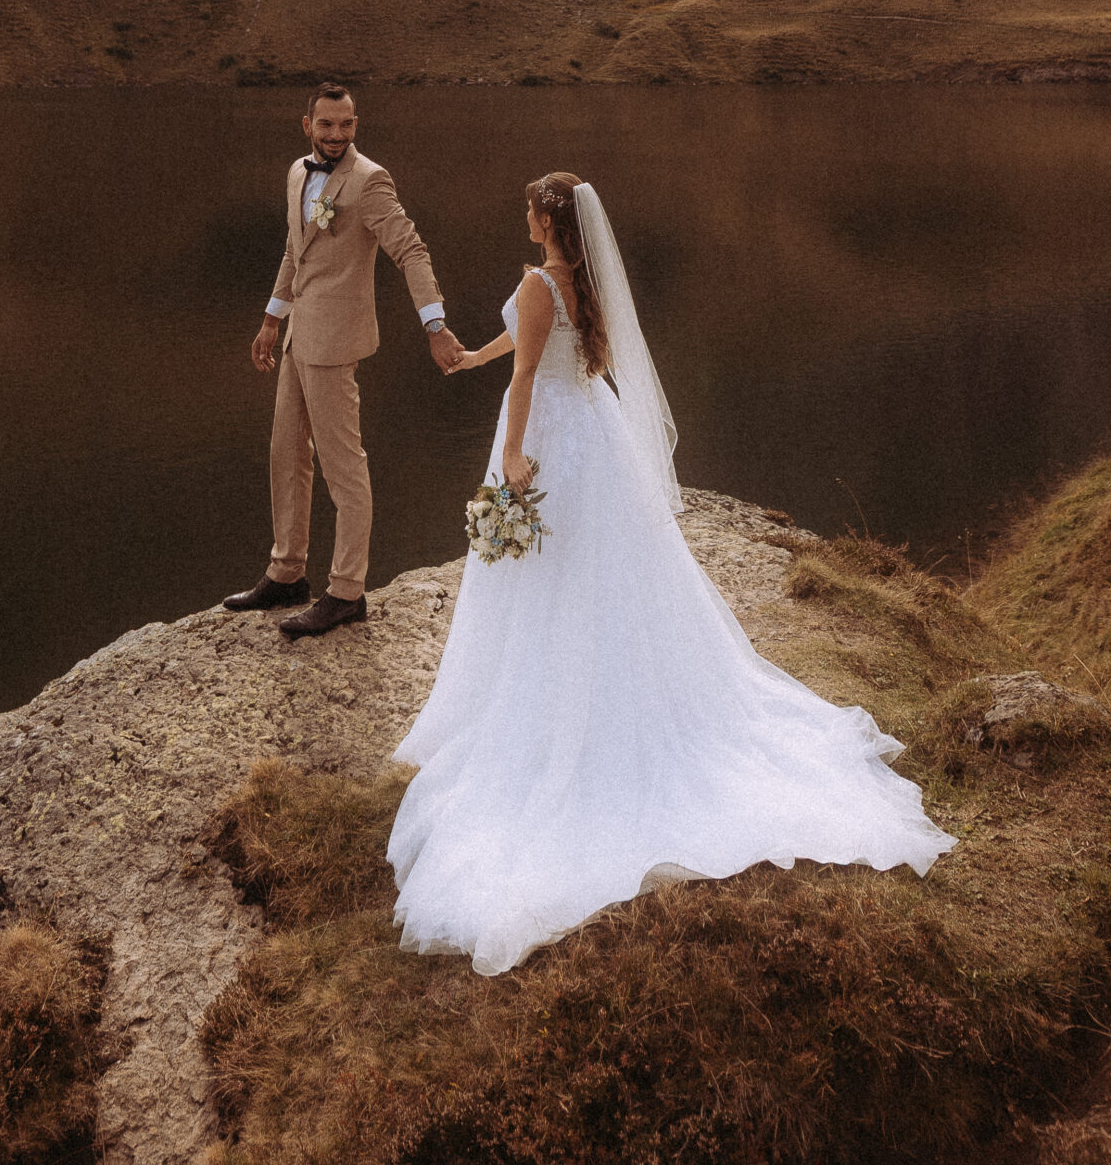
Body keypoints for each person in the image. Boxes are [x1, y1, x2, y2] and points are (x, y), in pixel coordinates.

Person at [386, 171, 955, 972]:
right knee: (597, 571)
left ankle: (553, 698)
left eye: (529, 207)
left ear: (548, 220)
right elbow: (536, 346)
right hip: (592, 428)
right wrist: (477, 352)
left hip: (551, 430)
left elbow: (527, 377)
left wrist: (512, 451)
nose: (522, 215)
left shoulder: (536, 280)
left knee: (551, 572)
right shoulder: (579, 283)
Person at [223, 82, 465, 641]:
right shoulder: (295, 173)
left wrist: (435, 325)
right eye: (327, 125)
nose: (337, 136)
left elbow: (412, 250)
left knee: (344, 469)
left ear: (356, 125)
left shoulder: (370, 182)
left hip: (336, 346)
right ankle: (287, 573)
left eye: (347, 125)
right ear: (306, 124)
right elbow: (295, 248)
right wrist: (270, 318)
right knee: (287, 453)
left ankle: (346, 592)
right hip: (297, 338)